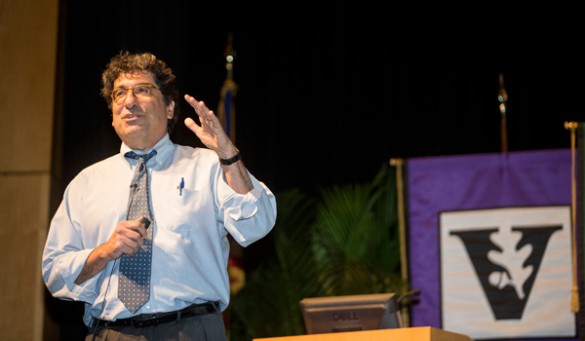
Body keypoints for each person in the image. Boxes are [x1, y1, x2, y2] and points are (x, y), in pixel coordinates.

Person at [42, 50, 277, 340]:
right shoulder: (86, 183)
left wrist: (227, 155)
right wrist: (104, 252)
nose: (129, 101)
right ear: (112, 114)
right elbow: (55, 273)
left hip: (191, 330)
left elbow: (257, 222)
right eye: (119, 94)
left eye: (142, 90)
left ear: (168, 107)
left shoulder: (207, 166)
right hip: (110, 332)